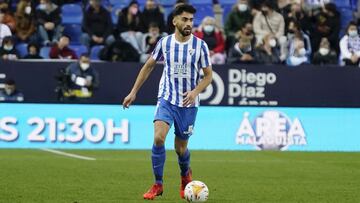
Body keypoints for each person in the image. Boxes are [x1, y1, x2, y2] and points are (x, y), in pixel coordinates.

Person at [122, 4, 212, 200]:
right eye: (185, 19)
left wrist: (195, 91)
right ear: (175, 21)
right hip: (167, 98)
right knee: (158, 138)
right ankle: (158, 184)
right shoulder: (165, 43)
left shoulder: (200, 46)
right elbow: (148, 66)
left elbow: (208, 76)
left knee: (180, 148)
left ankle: (185, 176)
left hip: (188, 104)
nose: (189, 23)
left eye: (191, 20)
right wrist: (133, 92)